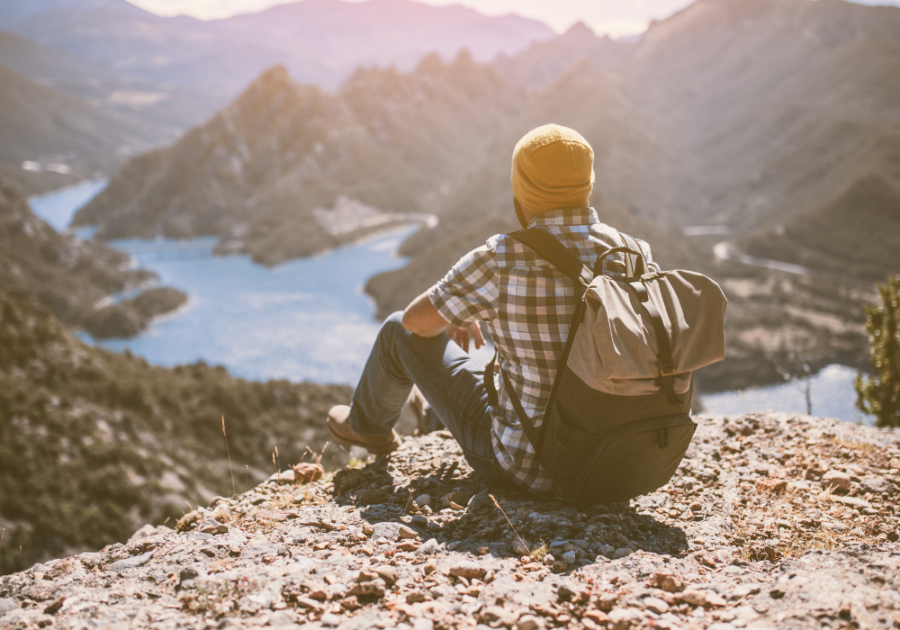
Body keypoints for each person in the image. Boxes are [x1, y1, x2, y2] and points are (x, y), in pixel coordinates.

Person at [326, 123, 658, 499]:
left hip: (531, 467)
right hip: (620, 462)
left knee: (394, 331)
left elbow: (416, 323)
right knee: (502, 375)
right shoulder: (634, 254)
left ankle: (366, 426)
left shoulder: (501, 258)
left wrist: (462, 313)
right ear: (588, 183)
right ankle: (432, 419)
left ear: (522, 190)